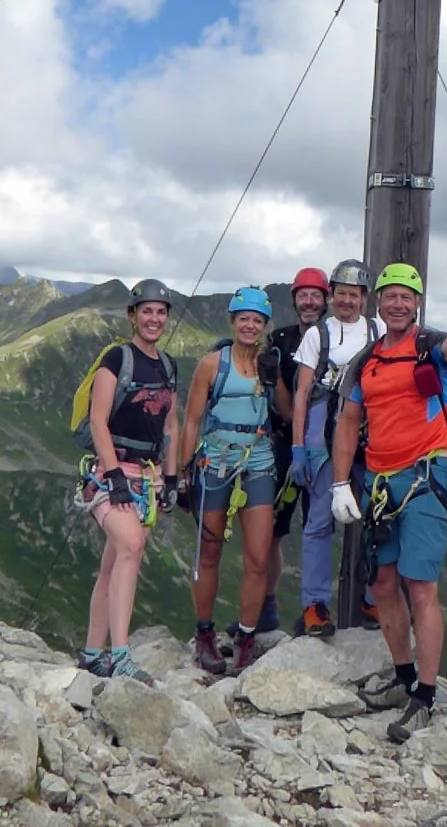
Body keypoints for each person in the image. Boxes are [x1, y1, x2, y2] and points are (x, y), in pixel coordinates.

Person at [331, 257, 447, 742]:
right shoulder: (368, 358)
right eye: (390, 296)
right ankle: (402, 678)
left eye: (406, 297)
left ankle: (426, 695)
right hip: (380, 480)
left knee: (421, 587)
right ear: (380, 302)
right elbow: (349, 422)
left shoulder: (430, 347)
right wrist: (340, 483)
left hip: (424, 474)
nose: (397, 304)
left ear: (417, 303)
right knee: (382, 584)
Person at [179, 286, 291, 676]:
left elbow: (286, 411)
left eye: (256, 320)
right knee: (208, 554)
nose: (249, 325)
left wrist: (279, 378)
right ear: (232, 322)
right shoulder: (212, 364)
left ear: (263, 326)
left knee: (259, 558)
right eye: (243, 318)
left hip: (258, 460)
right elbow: (191, 420)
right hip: (215, 461)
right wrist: (181, 473)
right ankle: (205, 634)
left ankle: (245, 638)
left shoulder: (267, 363)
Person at [78, 279, 179, 684]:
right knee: (131, 547)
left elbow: (170, 424)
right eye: (147, 311)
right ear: (132, 316)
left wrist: (172, 477)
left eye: (160, 312)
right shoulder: (116, 360)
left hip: (148, 477)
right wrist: (114, 475)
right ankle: (120, 656)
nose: (154, 319)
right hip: (110, 472)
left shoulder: (169, 365)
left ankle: (91, 654)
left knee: (113, 563)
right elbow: (97, 419)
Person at [291, 258, 383, 637]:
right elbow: (302, 392)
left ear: (364, 298)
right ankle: (315, 606)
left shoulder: (377, 330)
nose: (347, 301)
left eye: (354, 294)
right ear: (332, 295)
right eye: (341, 293)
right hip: (325, 435)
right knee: (319, 521)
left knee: (377, 516)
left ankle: (374, 598)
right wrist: (299, 447)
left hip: (372, 432)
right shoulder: (318, 335)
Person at [260, 267, 330, 633]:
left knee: (320, 526)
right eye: (303, 295)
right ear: (295, 299)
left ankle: (316, 606)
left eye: (315, 295)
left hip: (329, 447)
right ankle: (267, 606)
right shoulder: (281, 340)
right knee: (275, 527)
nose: (308, 301)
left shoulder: (337, 337)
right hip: (286, 445)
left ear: (326, 299)